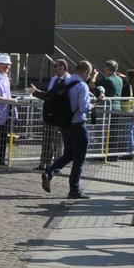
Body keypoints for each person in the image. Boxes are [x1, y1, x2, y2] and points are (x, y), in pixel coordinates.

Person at [41, 61, 94, 200]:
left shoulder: (66, 82)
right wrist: (93, 105)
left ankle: (50, 172)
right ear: (86, 72)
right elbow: (83, 108)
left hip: (65, 124)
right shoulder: (82, 85)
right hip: (77, 125)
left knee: (68, 154)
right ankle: (74, 189)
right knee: (79, 159)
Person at [30, 59, 70, 171]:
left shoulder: (69, 80)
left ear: (62, 67)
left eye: (56, 66)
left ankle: (57, 165)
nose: (54, 69)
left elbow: (55, 97)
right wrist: (36, 91)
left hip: (60, 116)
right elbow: (49, 96)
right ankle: (43, 164)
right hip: (49, 115)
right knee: (47, 140)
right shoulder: (53, 80)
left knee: (58, 142)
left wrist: (36, 92)